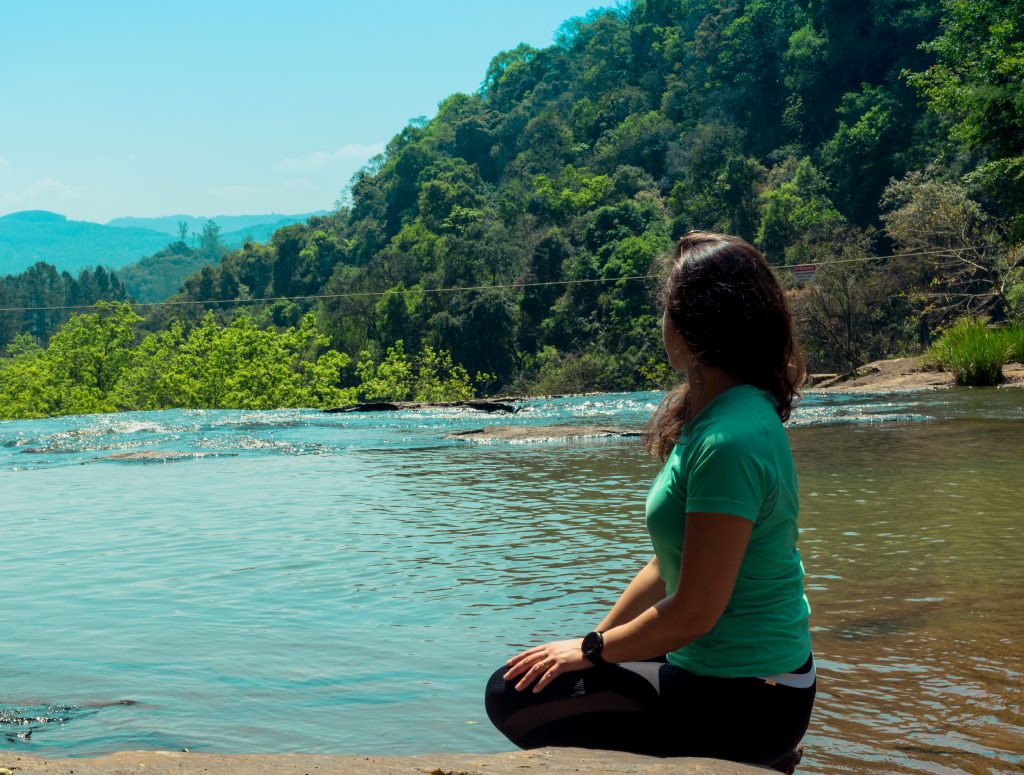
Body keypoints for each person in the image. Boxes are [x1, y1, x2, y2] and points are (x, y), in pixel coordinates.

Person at [484, 232, 815, 773]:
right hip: (734, 672)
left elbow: (694, 612)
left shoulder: (729, 439)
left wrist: (590, 655)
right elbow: (668, 563)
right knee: (549, 673)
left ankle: (757, 757)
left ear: (689, 327)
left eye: (665, 310)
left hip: (752, 697)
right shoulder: (718, 415)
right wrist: (590, 644)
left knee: (511, 696)